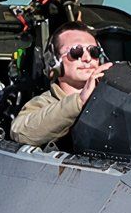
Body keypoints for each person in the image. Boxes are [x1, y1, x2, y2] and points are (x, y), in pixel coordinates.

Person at [9, 20, 110, 149]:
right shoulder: (45, 102)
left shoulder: (111, 97)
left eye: (93, 51)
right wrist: (79, 101)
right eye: (76, 51)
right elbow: (20, 132)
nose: (87, 58)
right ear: (54, 61)